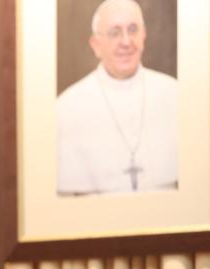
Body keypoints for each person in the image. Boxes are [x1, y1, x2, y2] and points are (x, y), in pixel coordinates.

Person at [57, 0, 178, 195]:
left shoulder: (175, 95)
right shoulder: (66, 108)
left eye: (133, 30)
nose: (126, 42)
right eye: (114, 32)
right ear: (96, 45)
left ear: (144, 35)